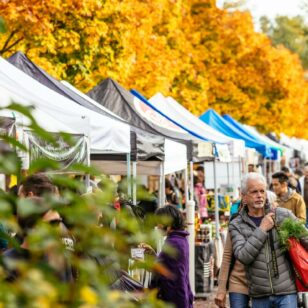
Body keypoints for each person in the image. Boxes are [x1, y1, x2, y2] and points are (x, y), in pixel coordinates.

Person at [229, 172, 305, 308]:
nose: (259, 195)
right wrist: (262, 229)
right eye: (254, 192)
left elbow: (305, 238)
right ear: (244, 197)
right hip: (260, 295)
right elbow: (243, 256)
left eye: (262, 191)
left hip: (287, 292)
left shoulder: (282, 215)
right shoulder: (236, 224)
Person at [140, 205, 193, 308]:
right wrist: (154, 255)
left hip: (173, 300)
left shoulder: (174, 243)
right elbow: (168, 265)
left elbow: (165, 273)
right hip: (178, 297)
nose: (158, 226)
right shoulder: (179, 239)